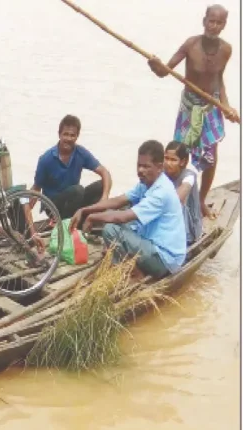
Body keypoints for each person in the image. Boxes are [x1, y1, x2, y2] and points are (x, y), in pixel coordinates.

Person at [147, 4, 240, 219]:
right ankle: (169, 197)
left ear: (224, 25)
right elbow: (164, 71)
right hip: (189, 106)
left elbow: (219, 79)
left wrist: (226, 105)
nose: (213, 26)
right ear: (204, 21)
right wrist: (155, 65)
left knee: (211, 156)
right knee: (178, 153)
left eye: (218, 23)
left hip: (211, 106)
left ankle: (200, 200)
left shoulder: (226, 49)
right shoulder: (191, 44)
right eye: (211, 21)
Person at [69, 141, 186, 279]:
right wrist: (84, 210)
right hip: (152, 244)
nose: (140, 170)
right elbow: (118, 201)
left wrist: (92, 217)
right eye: (139, 165)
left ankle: (133, 273)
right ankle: (127, 264)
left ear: (159, 167)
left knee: (111, 229)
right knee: (115, 220)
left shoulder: (161, 192)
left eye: (146, 166)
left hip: (164, 259)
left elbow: (122, 217)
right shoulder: (146, 183)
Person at [30, 114, 112, 219]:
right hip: (53, 206)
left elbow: (105, 172)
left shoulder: (80, 153)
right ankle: (66, 222)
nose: (69, 139)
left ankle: (85, 218)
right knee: (78, 190)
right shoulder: (46, 159)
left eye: (72, 135)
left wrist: (105, 197)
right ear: (59, 134)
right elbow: (36, 188)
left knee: (101, 185)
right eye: (65, 134)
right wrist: (26, 211)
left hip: (74, 199)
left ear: (77, 136)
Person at [164, 141, 203, 245]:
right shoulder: (162, 174)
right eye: (166, 158)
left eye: (173, 160)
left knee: (178, 205)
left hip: (189, 228)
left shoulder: (189, 176)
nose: (168, 163)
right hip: (169, 224)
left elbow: (177, 199)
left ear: (182, 162)